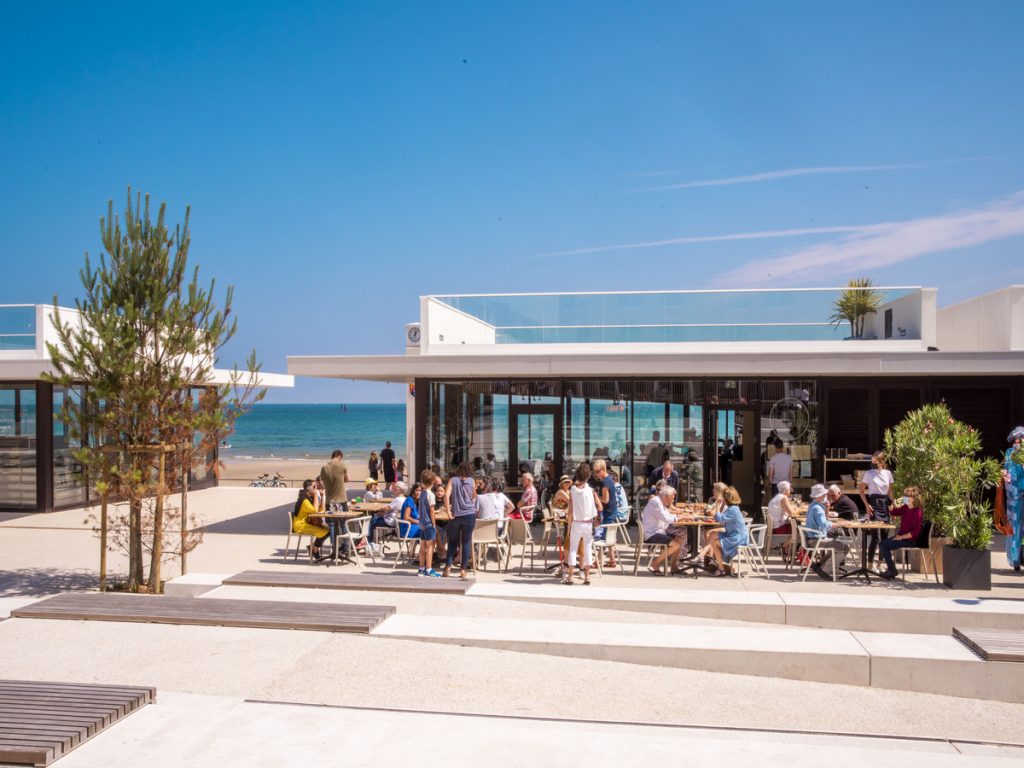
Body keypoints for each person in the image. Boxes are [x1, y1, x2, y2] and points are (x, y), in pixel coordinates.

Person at [564, 463, 601, 585]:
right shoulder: (591, 490)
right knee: (587, 548)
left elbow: (570, 511)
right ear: (588, 477)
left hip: (576, 522)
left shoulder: (572, 491)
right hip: (588, 523)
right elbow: (599, 506)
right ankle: (587, 576)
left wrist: (568, 528)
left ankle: (570, 576)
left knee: (573, 549)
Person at [804, 483, 850, 580]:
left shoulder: (813, 506)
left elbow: (823, 521)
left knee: (836, 547)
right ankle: (824, 570)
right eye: (825, 495)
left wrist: (827, 508)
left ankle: (820, 565)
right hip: (817, 540)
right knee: (844, 548)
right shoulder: (818, 509)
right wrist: (841, 524)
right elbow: (824, 525)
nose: (826, 496)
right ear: (820, 496)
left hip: (812, 539)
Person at [641, 485, 690, 574]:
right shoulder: (655, 503)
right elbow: (666, 519)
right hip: (652, 534)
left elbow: (667, 515)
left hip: (658, 531)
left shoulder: (659, 502)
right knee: (675, 544)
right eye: (672, 498)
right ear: (666, 496)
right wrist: (679, 518)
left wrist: (680, 517)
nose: (673, 501)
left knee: (679, 538)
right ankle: (655, 563)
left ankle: (674, 567)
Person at [878, 487, 924, 580]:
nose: (905, 498)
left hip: (910, 540)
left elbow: (916, 531)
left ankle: (891, 570)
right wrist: (890, 506)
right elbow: (895, 512)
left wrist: (902, 537)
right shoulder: (906, 507)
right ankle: (892, 569)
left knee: (883, 544)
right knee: (883, 544)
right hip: (902, 537)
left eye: (907, 496)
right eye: (905, 495)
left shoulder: (917, 512)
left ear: (914, 498)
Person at [859, 450, 895, 570]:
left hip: (884, 503)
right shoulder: (868, 474)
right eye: (872, 460)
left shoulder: (888, 474)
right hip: (873, 503)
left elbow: (890, 491)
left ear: (881, 462)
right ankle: (869, 564)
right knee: (875, 537)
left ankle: (880, 562)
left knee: (885, 536)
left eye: (875, 461)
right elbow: (861, 491)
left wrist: (893, 504)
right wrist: (866, 505)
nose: (872, 462)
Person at [444, 461, 477, 579]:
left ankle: (448, 567)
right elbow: (474, 496)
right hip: (469, 514)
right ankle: (463, 570)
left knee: (452, 542)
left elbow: (446, 495)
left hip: (456, 515)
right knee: (466, 542)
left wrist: (448, 510)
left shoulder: (452, 480)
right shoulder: (472, 481)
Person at [320, 450, 350, 557]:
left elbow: (322, 481)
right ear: (340, 457)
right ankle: (346, 548)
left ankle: (334, 548)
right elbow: (347, 480)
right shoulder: (342, 465)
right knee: (343, 524)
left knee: (332, 525)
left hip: (330, 500)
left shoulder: (324, 467)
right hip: (341, 499)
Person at [1002, 426, 1024, 572]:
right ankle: (1015, 559)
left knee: (1015, 527)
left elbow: (1007, 477)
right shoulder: (1012, 454)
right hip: (1016, 495)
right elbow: (1008, 476)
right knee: (1016, 528)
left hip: (1014, 497)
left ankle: (1015, 559)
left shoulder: (1010, 454)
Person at [292, 480, 329, 562]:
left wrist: (322, 496)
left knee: (328, 531)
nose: (317, 489)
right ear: (309, 488)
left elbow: (321, 509)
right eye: (315, 487)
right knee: (325, 532)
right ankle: (314, 550)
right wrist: (316, 495)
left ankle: (312, 547)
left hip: (306, 524)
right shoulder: (304, 500)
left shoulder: (308, 498)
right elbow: (315, 511)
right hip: (300, 525)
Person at [368, 481, 406, 556]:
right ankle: (375, 542)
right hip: (397, 521)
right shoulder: (404, 499)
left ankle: (370, 543)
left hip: (390, 521)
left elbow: (386, 509)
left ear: (401, 490)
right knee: (376, 517)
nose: (394, 489)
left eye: (396, 488)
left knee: (371, 521)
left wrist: (382, 509)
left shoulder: (397, 499)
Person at [592, 460, 619, 565]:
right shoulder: (609, 479)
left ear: (603, 469)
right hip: (612, 510)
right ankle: (612, 560)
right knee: (609, 536)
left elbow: (605, 500)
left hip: (608, 511)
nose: (596, 474)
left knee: (604, 537)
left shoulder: (605, 482)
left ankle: (597, 562)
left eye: (598, 471)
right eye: (595, 471)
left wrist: (595, 496)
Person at [415, 471, 441, 577]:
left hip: (421, 523)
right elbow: (431, 510)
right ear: (433, 481)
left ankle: (421, 569)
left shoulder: (422, 494)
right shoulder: (430, 495)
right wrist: (434, 523)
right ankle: (429, 569)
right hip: (429, 523)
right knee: (430, 546)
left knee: (422, 546)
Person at [766, 480, 798, 559]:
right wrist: (800, 510)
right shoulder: (783, 498)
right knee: (800, 531)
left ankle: (787, 550)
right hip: (779, 528)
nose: (791, 490)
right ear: (786, 490)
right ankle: (784, 547)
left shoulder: (777, 497)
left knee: (793, 527)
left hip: (774, 526)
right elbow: (792, 514)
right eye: (790, 488)